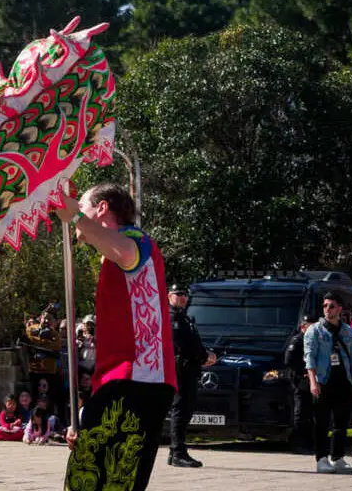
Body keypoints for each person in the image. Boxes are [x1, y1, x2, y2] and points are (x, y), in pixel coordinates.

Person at [54, 183, 176, 491]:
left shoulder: (137, 240)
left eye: (83, 207)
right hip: (123, 384)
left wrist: (76, 218)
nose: (77, 215)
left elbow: (124, 251)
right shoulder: (111, 259)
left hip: (138, 381)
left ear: (103, 208)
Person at [304, 291, 352, 474]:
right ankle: (321, 459)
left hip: (343, 380)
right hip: (323, 380)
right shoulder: (314, 330)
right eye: (324, 306)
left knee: (341, 422)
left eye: (331, 306)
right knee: (321, 422)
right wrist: (313, 382)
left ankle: (337, 457)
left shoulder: (348, 331)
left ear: (339, 308)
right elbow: (310, 358)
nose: (327, 309)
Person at [166, 283, 216, 468]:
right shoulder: (172, 318)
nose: (182, 297)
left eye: (185, 294)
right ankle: (178, 451)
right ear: (169, 296)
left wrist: (204, 355)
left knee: (185, 410)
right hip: (181, 369)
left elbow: (193, 341)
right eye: (178, 294)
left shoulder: (183, 317)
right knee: (180, 410)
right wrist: (205, 356)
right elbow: (183, 344)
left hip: (189, 368)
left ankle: (175, 451)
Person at [283, 314, 315, 453]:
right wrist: (303, 371)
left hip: (309, 380)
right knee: (300, 412)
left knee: (309, 412)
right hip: (299, 380)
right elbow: (289, 360)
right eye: (310, 326)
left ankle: (308, 442)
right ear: (303, 326)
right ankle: (298, 443)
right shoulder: (297, 340)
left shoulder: (311, 340)